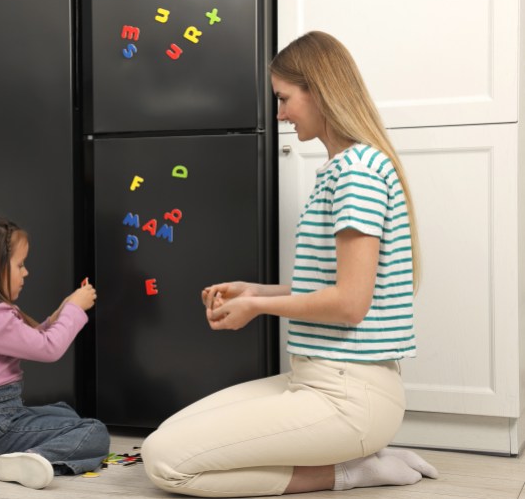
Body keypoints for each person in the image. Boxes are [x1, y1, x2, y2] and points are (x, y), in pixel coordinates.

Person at [141, 31, 439, 497]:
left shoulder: (357, 173)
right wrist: (252, 290)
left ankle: (353, 470)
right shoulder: (344, 168)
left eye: (283, 99)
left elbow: (349, 305)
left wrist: (258, 308)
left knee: (165, 464)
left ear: (317, 91)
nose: (278, 114)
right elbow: (329, 285)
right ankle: (363, 455)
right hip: (316, 378)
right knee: (159, 442)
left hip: (349, 395)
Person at [0, 213, 109, 489]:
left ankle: (24, 455)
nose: (26, 272)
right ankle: (32, 459)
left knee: (65, 413)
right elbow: (49, 348)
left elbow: (33, 337)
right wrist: (76, 309)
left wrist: (62, 310)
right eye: (20, 265)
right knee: (94, 431)